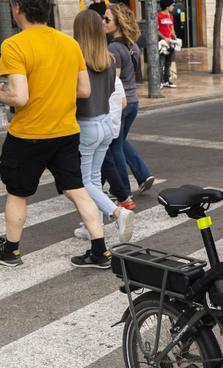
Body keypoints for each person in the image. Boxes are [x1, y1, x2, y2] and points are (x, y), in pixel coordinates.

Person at [0, 0, 113, 269]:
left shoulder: (14, 45)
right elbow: (84, 90)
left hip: (28, 133)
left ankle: (10, 250)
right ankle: (100, 251)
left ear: (18, 8)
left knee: (17, 192)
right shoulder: (69, 44)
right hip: (66, 131)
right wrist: (55, 90)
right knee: (77, 189)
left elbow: (19, 97)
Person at [72, 10, 134, 243]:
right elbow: (110, 93)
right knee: (94, 179)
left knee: (83, 182)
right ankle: (92, 226)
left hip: (86, 125)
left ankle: (118, 213)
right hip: (105, 122)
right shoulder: (109, 59)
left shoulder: (77, 62)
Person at [103, 3, 156, 207]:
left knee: (114, 146)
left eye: (107, 19)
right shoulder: (132, 45)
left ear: (118, 23)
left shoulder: (113, 48)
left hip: (121, 104)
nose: (103, 22)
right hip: (133, 102)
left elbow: (113, 82)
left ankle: (122, 191)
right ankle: (143, 175)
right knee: (120, 142)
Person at [157, 0, 177, 88]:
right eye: (172, 5)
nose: (173, 7)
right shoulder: (158, 16)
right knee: (161, 62)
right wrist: (164, 38)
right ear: (167, 6)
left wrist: (174, 37)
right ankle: (160, 81)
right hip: (162, 44)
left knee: (168, 63)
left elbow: (172, 29)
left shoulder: (171, 16)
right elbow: (156, 30)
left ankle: (166, 81)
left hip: (171, 43)